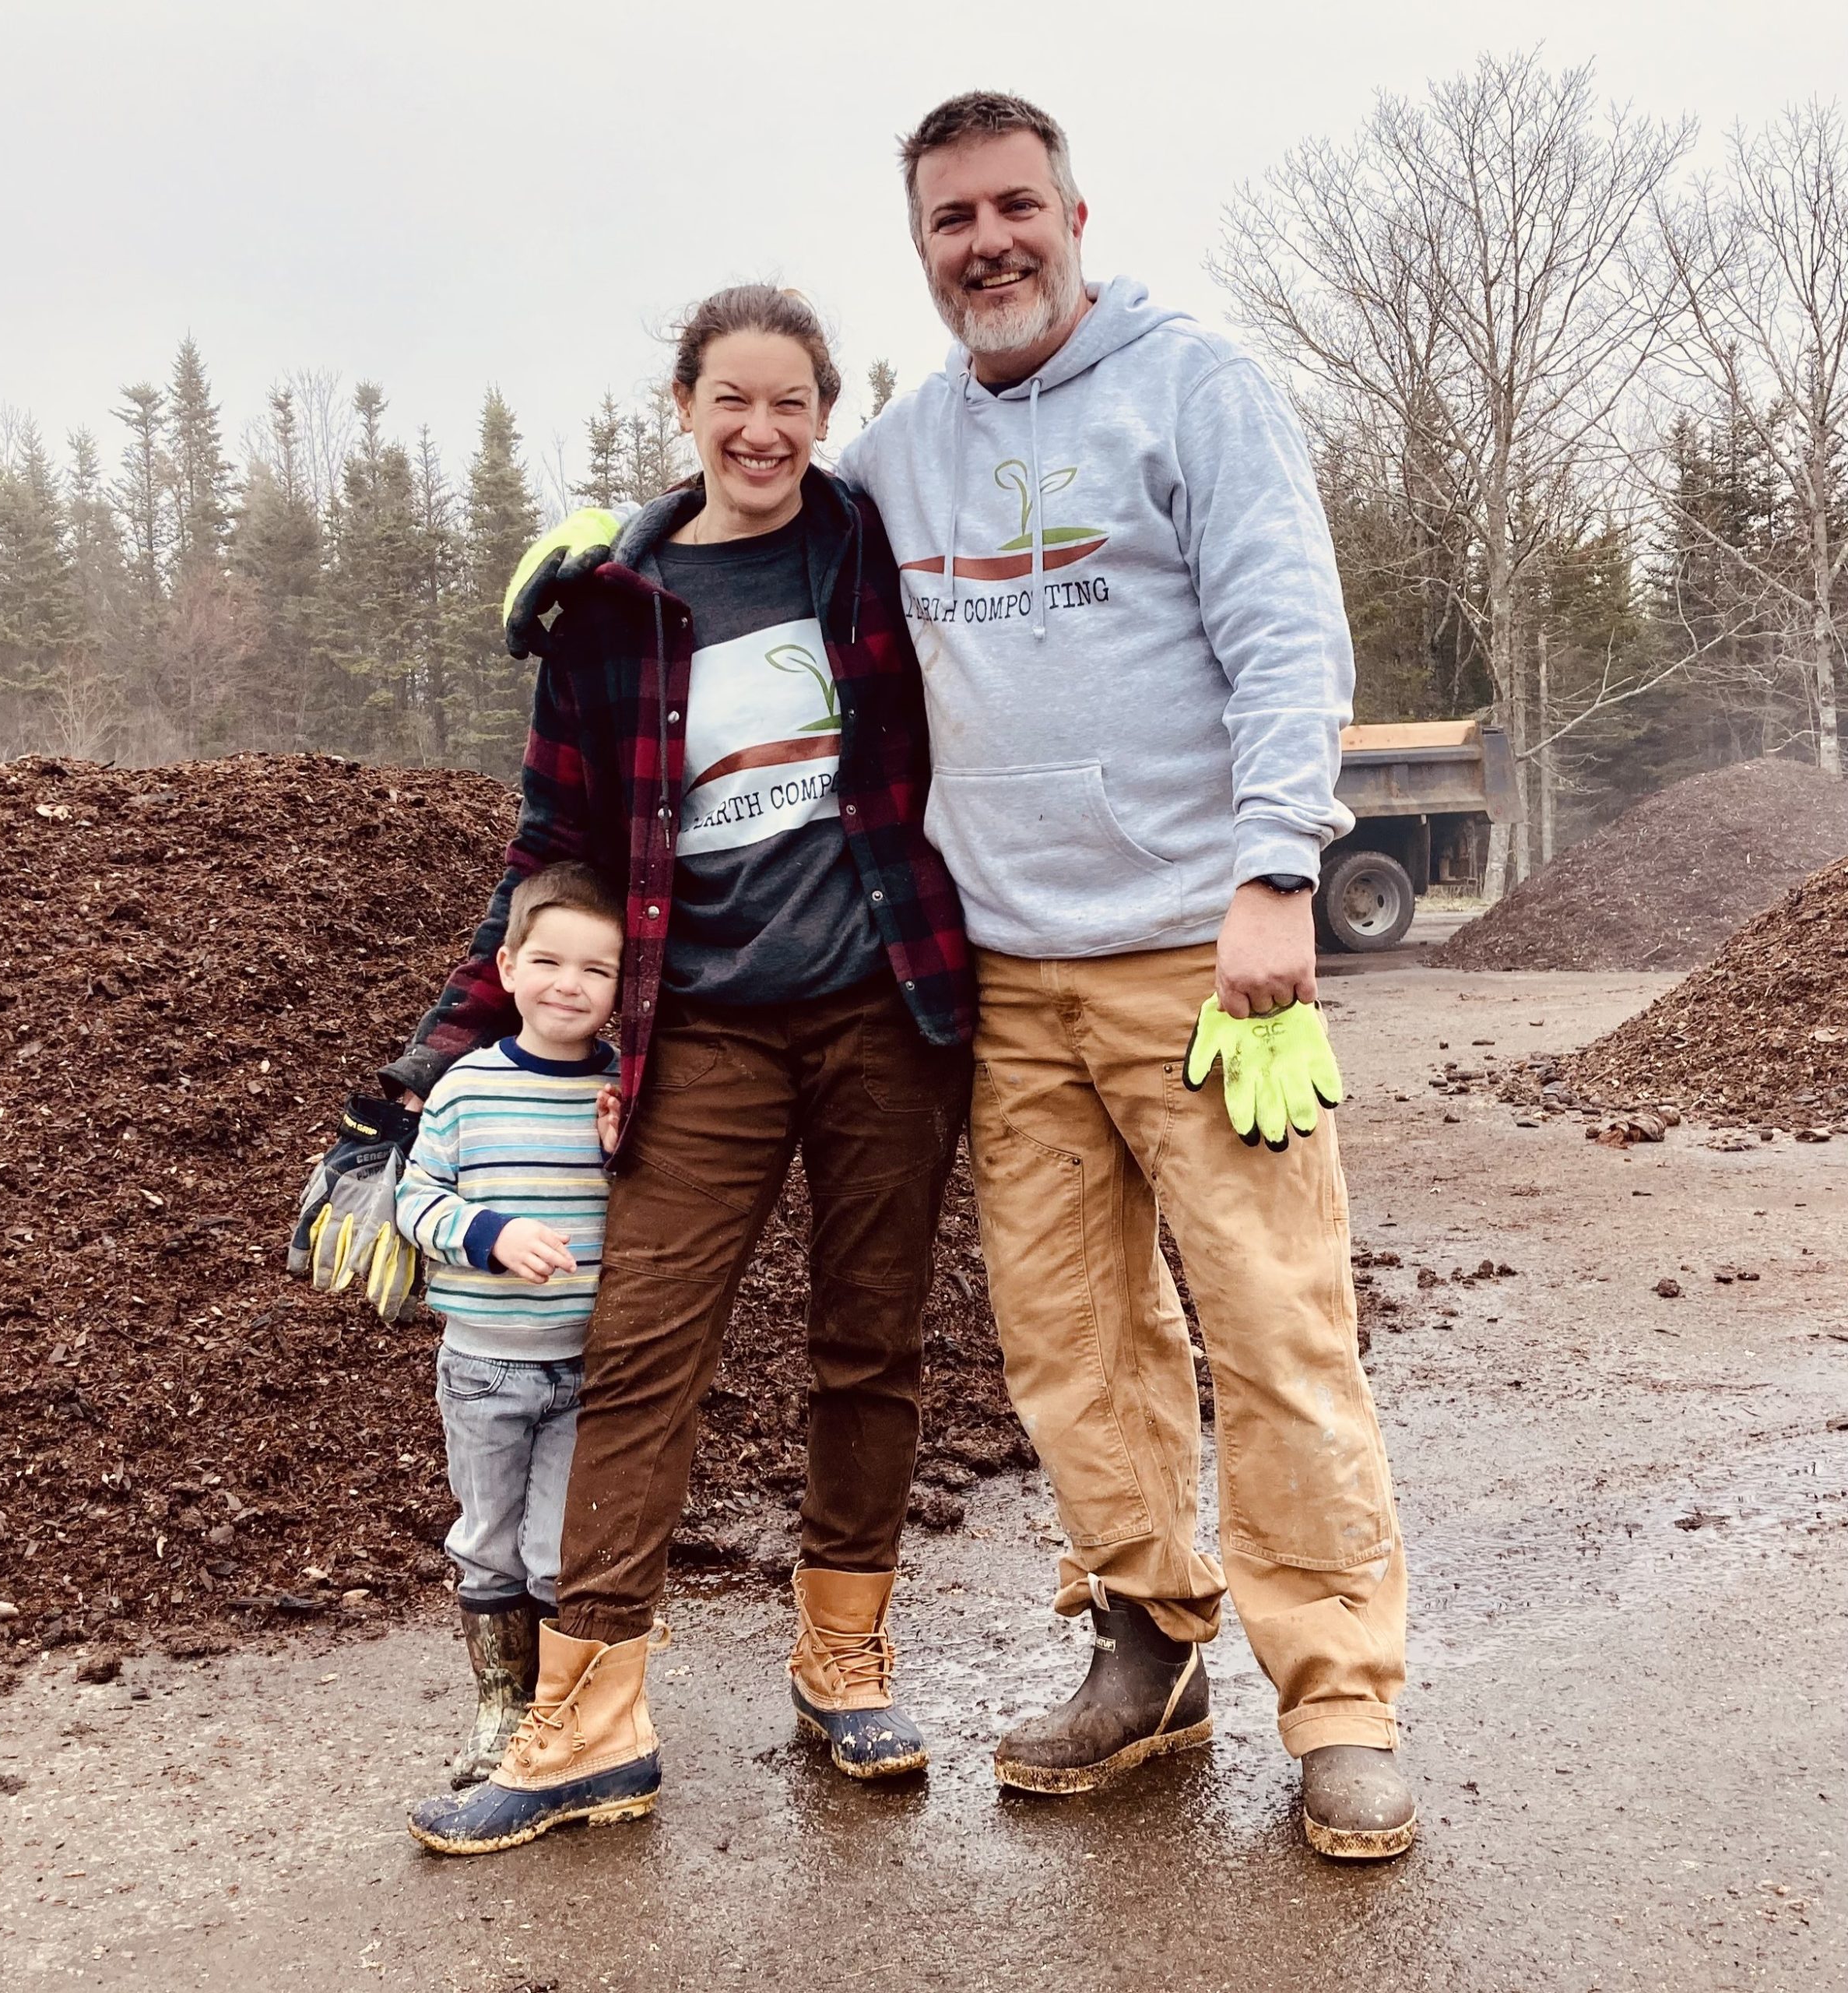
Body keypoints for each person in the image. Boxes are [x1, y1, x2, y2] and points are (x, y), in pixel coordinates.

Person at [500, 93, 1414, 1861]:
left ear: (1074, 211)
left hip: (1201, 961)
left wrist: (1276, 870)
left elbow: (1285, 629)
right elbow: (747, 520)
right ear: (919, 249)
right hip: (998, 976)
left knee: (1274, 1332)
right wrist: (601, 554)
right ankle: (1145, 1645)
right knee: (1074, 1348)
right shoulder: (904, 456)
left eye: (1012, 206)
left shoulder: (1190, 389)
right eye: (949, 221)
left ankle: (1341, 1702)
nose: (985, 241)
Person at [395, 285, 975, 1857]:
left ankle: (840, 1655)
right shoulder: (610, 606)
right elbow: (554, 843)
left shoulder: (872, 552)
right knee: (642, 1346)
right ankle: (591, 1717)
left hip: (879, 1007)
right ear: (682, 404)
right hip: (699, 1024)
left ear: (823, 411)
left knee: (868, 1344)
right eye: (732, 396)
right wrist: (431, 1061)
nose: (761, 429)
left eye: (791, 400)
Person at [392, 862, 624, 1790]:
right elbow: (417, 1202)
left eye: (597, 971)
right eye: (550, 962)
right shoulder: (465, 1088)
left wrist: (621, 1158)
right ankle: (499, 1704)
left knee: (557, 1546)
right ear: (511, 968)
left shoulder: (623, 1091)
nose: (571, 984)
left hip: (586, 1365)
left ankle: (559, 1712)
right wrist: (490, 1234)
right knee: (487, 1535)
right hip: (485, 1363)